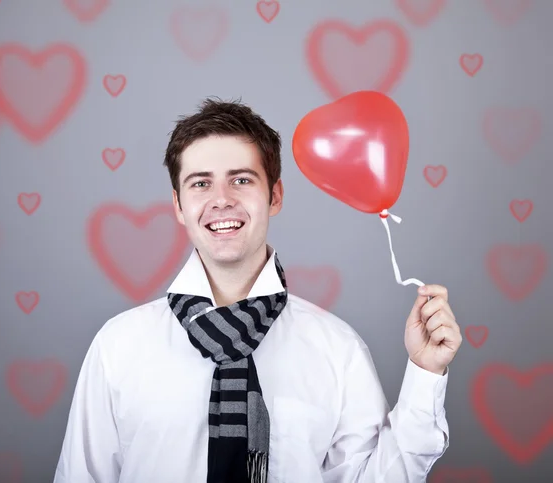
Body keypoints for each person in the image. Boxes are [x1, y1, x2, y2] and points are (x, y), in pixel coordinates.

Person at [53, 97, 462, 483]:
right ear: (178, 206)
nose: (222, 200)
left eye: (241, 180)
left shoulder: (338, 350)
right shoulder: (118, 345)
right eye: (200, 184)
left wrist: (425, 375)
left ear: (275, 195)